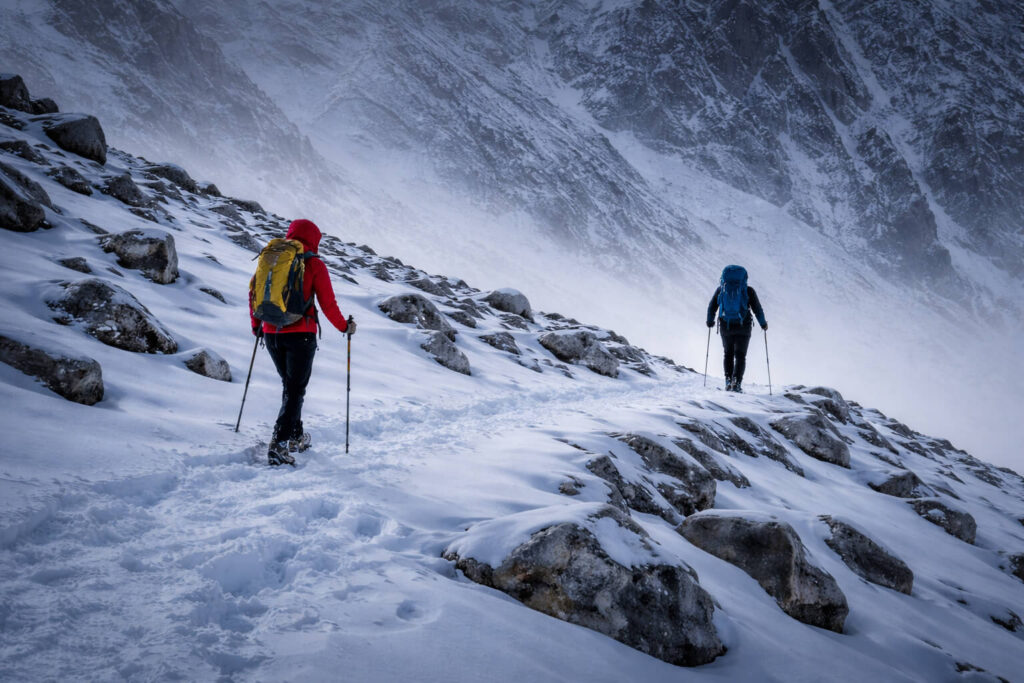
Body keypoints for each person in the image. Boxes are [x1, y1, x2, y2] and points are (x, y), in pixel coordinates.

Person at [249, 219, 355, 465]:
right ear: (314, 239)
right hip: (300, 334)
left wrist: (257, 326)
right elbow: (328, 304)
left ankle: (295, 436)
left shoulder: (272, 258)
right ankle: (279, 443)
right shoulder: (314, 264)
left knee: (290, 387)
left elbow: (254, 291)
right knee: (295, 390)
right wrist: (345, 327)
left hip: (271, 332)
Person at [706, 265, 766, 393]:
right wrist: (763, 324)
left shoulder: (721, 290)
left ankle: (728, 381)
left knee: (728, 354)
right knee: (740, 356)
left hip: (726, 326)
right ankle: (736, 383)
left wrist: (710, 321)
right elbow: (757, 309)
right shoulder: (748, 291)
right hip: (743, 327)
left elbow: (712, 306)